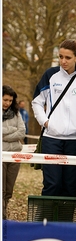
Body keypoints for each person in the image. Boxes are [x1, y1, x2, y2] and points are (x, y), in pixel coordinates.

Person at [32, 39, 76, 197]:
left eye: (67, 57)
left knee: (70, 186)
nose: (63, 61)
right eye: (60, 57)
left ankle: (65, 221)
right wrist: (46, 122)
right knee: (52, 184)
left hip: (74, 140)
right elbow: (37, 101)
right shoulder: (50, 75)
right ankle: (47, 221)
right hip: (51, 138)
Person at [2, 85, 26, 219]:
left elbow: (22, 132)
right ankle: (3, 217)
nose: (7, 103)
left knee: (9, 191)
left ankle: (4, 211)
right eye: (5, 100)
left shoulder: (16, 113)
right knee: (2, 189)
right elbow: (16, 131)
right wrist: (12, 129)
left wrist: (5, 135)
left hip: (14, 156)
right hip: (2, 155)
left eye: (10, 100)